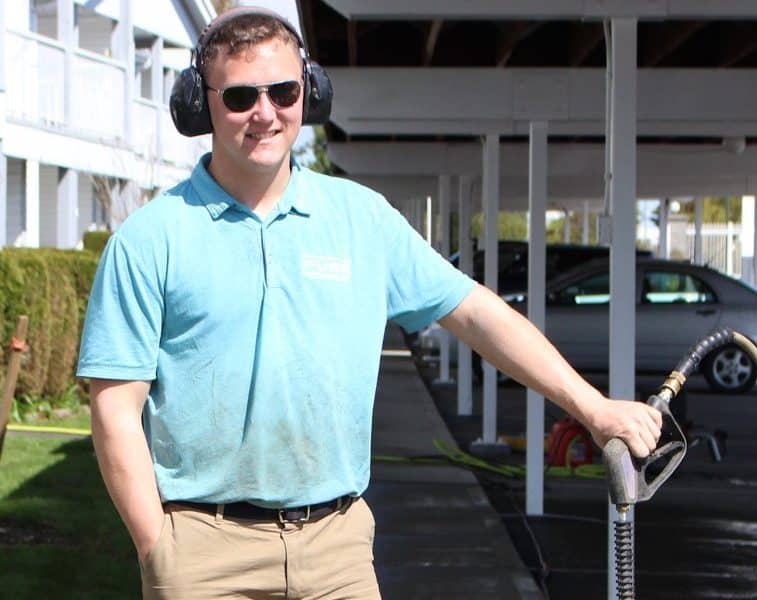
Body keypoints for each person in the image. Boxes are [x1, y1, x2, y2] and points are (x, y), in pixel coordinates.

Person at [77, 6, 662, 600]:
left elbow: (476, 313)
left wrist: (594, 408)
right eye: (239, 97)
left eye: (283, 91)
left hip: (338, 551)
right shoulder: (149, 240)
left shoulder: (362, 218)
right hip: (204, 551)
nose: (265, 113)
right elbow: (115, 411)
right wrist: (159, 549)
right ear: (201, 105)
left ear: (310, 95)